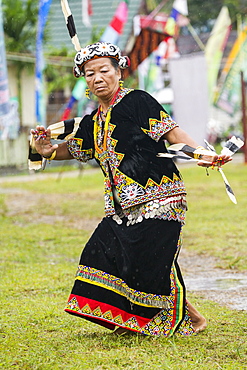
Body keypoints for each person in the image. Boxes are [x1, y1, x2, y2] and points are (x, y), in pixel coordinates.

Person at [30, 42, 231, 337]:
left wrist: (201, 154)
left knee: (151, 262)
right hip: (121, 207)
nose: (97, 78)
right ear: (84, 80)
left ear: (118, 72)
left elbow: (172, 133)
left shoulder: (138, 101)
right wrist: (46, 150)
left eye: (103, 70)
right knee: (102, 254)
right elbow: (72, 150)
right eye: (89, 74)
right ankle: (130, 319)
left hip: (160, 197)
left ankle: (192, 319)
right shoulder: (92, 121)